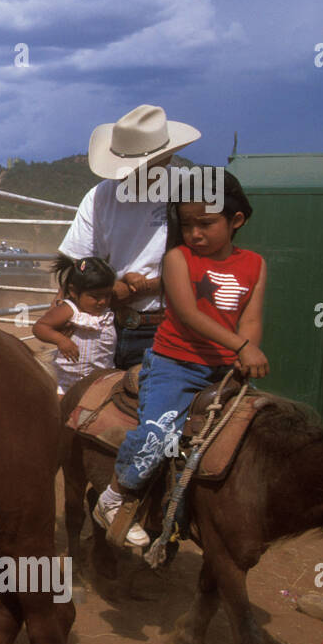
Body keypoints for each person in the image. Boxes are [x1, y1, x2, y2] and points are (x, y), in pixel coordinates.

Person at [93, 171, 267, 547]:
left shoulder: (254, 264)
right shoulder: (178, 259)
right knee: (160, 432)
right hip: (176, 365)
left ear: (236, 220)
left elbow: (251, 318)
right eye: (187, 224)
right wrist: (242, 346)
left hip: (223, 371)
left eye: (205, 224)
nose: (195, 234)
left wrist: (247, 351)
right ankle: (114, 495)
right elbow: (188, 314)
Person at [59, 105, 201, 369]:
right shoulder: (100, 196)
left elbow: (208, 266)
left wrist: (147, 287)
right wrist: (105, 290)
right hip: (103, 324)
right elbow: (76, 265)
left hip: (167, 326)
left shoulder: (190, 193)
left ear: (166, 160)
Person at [33, 256, 117, 395]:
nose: (102, 302)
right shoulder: (69, 310)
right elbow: (40, 327)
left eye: (107, 296)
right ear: (73, 291)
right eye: (95, 297)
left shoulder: (106, 314)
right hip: (68, 382)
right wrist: (61, 340)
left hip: (100, 380)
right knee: (60, 411)